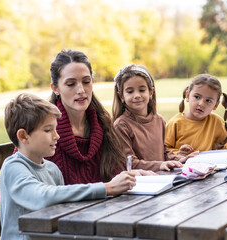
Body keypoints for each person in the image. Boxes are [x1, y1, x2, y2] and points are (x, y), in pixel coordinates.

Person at [0, 93, 136, 240]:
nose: (57, 136)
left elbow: (64, 209)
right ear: (23, 136)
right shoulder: (13, 168)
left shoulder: (52, 169)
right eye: (48, 130)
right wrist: (107, 188)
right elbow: (42, 197)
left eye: (56, 129)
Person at [47, 49, 154, 185]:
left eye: (86, 82)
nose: (81, 90)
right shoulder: (42, 129)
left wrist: (127, 174)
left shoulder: (102, 124)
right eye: (71, 84)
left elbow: (114, 173)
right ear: (55, 88)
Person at [112, 64, 191, 172]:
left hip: (164, 179)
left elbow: (163, 152)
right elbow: (130, 163)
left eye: (142, 90)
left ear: (151, 92)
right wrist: (160, 165)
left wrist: (180, 159)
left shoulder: (159, 120)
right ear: (121, 96)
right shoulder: (121, 125)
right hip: (140, 183)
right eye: (130, 91)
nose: (137, 95)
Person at [165, 73, 227, 156]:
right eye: (197, 97)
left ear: (215, 105)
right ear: (188, 96)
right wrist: (178, 153)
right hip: (183, 167)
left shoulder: (216, 122)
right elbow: (164, 150)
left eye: (208, 101)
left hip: (210, 166)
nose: (201, 104)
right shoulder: (175, 123)